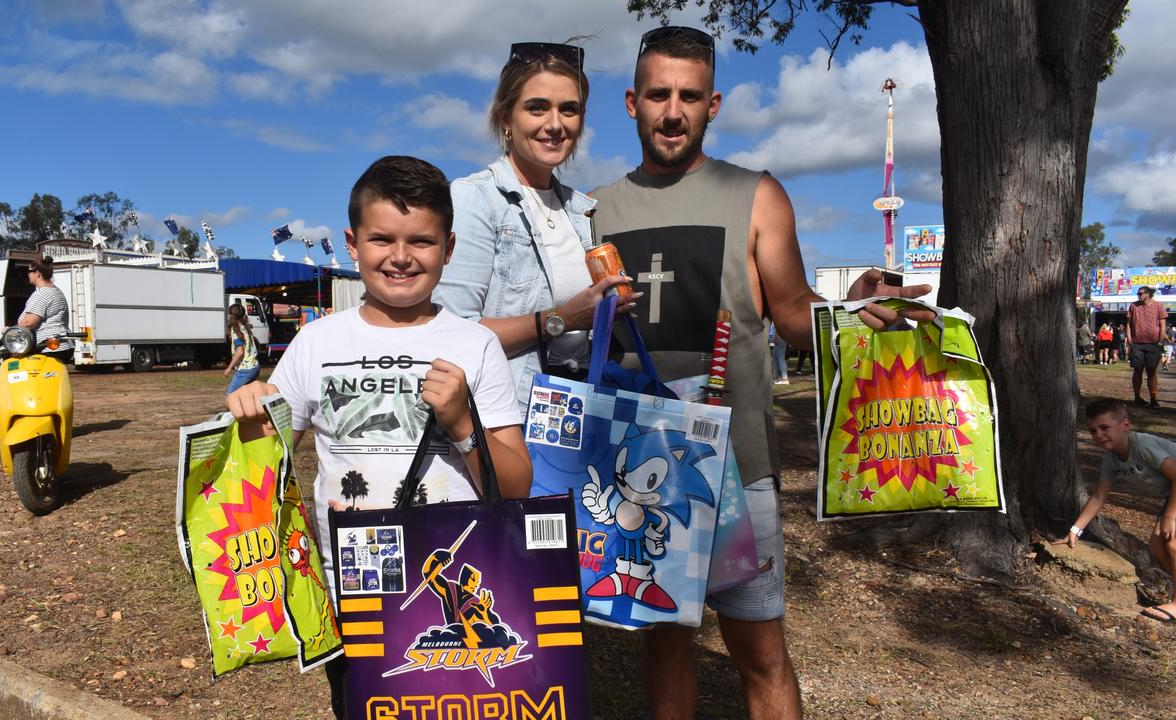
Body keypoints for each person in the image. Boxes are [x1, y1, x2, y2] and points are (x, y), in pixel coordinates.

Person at [590, 26, 931, 719]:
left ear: (714, 104)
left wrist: (848, 308)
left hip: (738, 466)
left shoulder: (757, 194)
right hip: (633, 466)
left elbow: (795, 313)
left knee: (762, 651)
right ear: (632, 102)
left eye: (690, 95)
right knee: (662, 641)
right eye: (659, 95)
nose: (673, 111)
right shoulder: (595, 210)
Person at [225, 155, 532, 718]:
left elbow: (516, 486)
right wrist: (248, 419)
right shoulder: (315, 343)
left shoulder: (477, 345)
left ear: (450, 246)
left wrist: (464, 424)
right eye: (381, 238)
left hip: (461, 595)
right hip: (352, 593)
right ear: (351, 242)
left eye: (421, 241)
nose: (399, 257)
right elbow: (266, 466)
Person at [435, 41, 639, 408]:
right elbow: (453, 333)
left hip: (572, 409)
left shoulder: (579, 209)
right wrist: (562, 318)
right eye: (537, 108)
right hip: (508, 415)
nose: (555, 124)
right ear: (506, 119)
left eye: (569, 109)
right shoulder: (475, 199)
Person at [1055, 398, 1176, 622]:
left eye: (1105, 428)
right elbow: (1099, 496)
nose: (1098, 435)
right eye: (1093, 431)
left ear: (1125, 426)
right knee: (1158, 546)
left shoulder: (1143, 446)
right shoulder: (1111, 459)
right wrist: (1075, 530)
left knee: (1171, 541)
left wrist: (1170, 515)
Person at [19, 256, 73, 364]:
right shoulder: (56, 291)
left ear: (37, 273)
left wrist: (9, 330)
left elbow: (28, 323)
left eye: (29, 271)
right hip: (63, 346)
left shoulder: (42, 294)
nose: (28, 274)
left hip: (46, 348)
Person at [1128, 286, 1166, 408]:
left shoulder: (1158, 306)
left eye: (1141, 293)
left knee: (1151, 371)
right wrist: (1130, 341)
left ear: (1148, 294)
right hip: (1137, 344)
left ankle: (1153, 398)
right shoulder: (1133, 306)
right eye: (1138, 293)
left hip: (1153, 344)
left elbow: (1162, 325)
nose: (1138, 295)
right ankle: (1137, 397)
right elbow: (1128, 324)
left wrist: (1160, 341)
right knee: (1137, 370)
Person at [222, 303, 260, 395]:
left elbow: (240, 351)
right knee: (246, 394)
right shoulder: (245, 328)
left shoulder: (236, 331)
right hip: (255, 367)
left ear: (231, 316)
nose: (227, 316)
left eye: (229, 313)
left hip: (246, 369)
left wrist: (229, 368)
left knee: (230, 395)